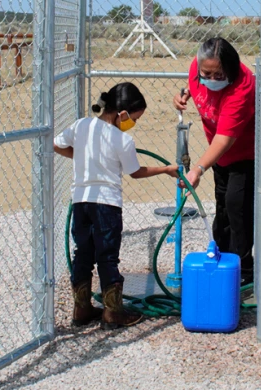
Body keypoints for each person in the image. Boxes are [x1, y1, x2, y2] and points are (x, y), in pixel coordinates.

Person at [54, 82, 178, 329]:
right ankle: (113, 313)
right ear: (122, 114)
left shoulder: (81, 125)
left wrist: (81, 156)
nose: (134, 123)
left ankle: (81, 310)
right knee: (107, 257)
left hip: (81, 201)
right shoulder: (123, 139)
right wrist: (166, 169)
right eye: (134, 118)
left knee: (83, 253)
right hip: (107, 205)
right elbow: (135, 171)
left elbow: (57, 144)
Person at [174, 37, 257, 284]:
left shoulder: (242, 87)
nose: (210, 78)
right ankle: (222, 257)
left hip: (245, 151)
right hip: (218, 153)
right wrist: (184, 94)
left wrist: (198, 169)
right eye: (206, 73)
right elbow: (194, 84)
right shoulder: (198, 68)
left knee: (236, 206)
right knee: (222, 203)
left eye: (218, 74)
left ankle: (244, 272)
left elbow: (225, 139)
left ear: (230, 69)